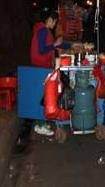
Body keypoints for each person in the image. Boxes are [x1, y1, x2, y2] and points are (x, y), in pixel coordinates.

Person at [30, 8, 68, 136]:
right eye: (55, 22)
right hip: (40, 66)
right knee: (43, 96)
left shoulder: (42, 30)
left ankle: (42, 123)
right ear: (49, 20)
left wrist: (59, 45)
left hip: (42, 66)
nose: (55, 25)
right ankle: (40, 125)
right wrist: (54, 45)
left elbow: (48, 47)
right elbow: (42, 50)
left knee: (44, 96)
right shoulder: (42, 30)